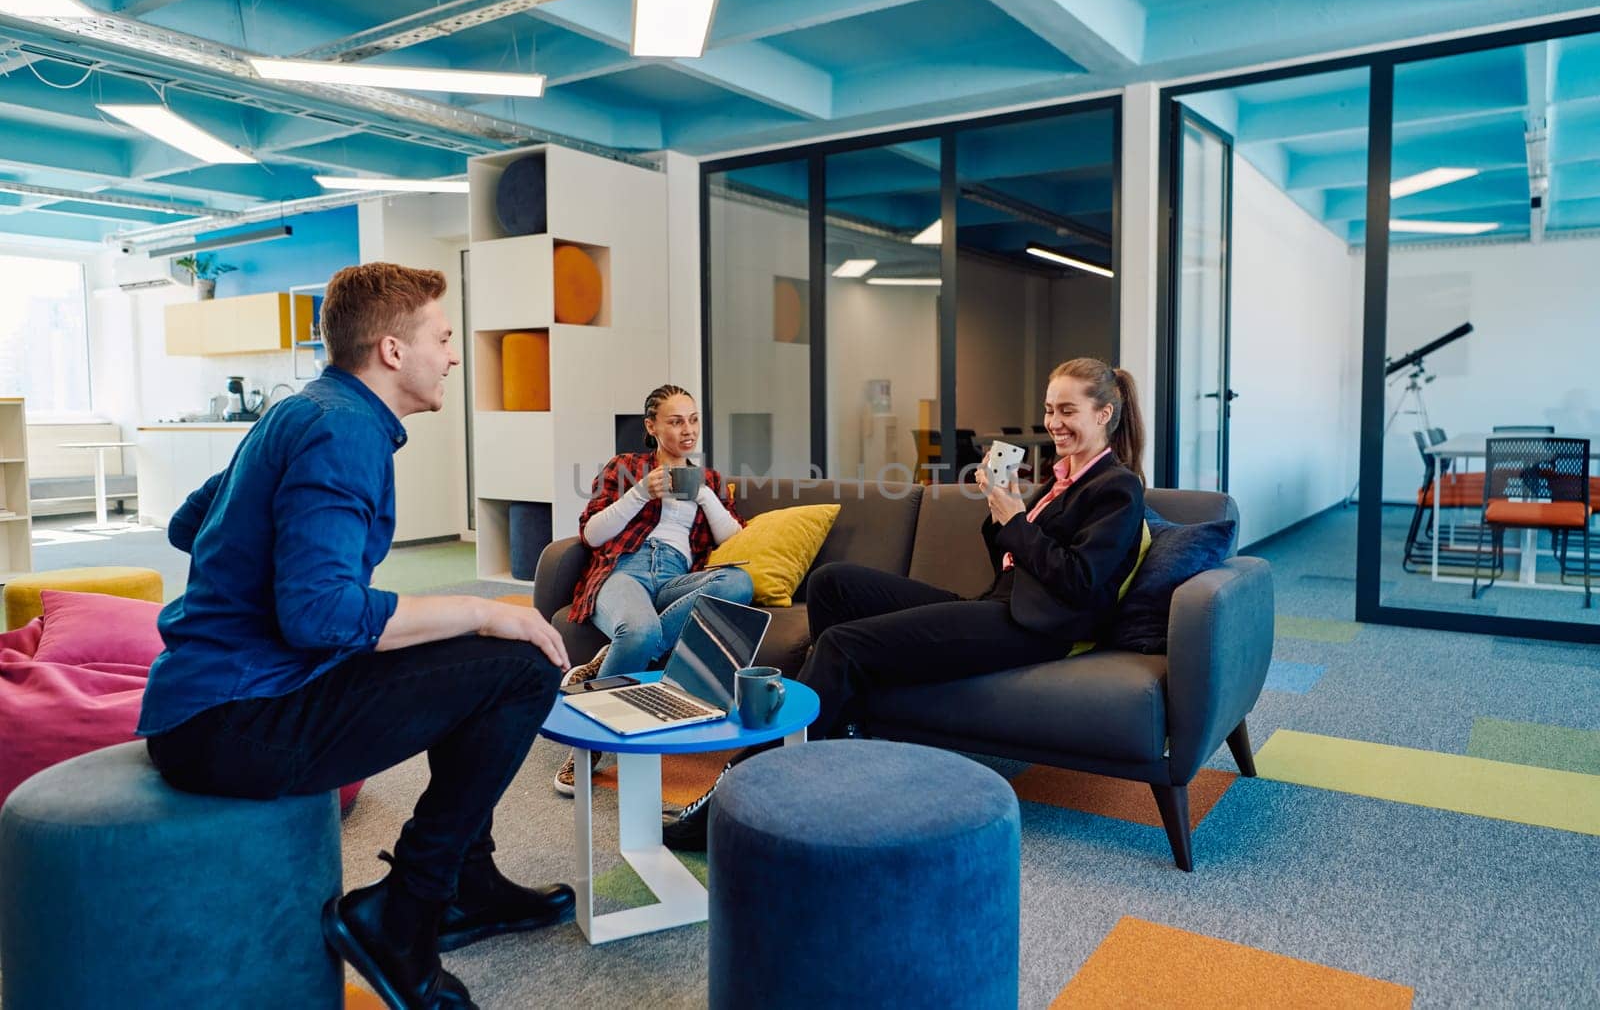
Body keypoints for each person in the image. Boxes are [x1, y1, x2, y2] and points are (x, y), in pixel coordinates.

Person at [138, 263, 574, 1010]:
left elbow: (189, 522)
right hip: (237, 720)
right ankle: (403, 913)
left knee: (471, 651)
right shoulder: (343, 428)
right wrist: (480, 608)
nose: (454, 354)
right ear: (393, 350)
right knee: (519, 662)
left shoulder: (308, 410)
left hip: (217, 703)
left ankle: (469, 881)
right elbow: (319, 614)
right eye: (442, 336)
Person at [662, 358, 1147, 850]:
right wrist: (999, 510)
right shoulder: (1061, 478)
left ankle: (741, 789)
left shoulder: (1117, 488)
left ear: (1104, 414)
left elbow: (1083, 582)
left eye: (1068, 410)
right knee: (833, 584)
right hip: (1000, 604)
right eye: (1048, 409)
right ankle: (842, 731)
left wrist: (1017, 521)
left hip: (1035, 627)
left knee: (841, 645)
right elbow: (1010, 559)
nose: (1054, 423)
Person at [554, 384, 755, 793]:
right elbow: (591, 534)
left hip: (676, 577)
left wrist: (702, 496)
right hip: (624, 570)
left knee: (739, 582)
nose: (688, 430)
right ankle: (586, 750)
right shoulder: (624, 466)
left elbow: (731, 539)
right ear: (651, 426)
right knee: (641, 632)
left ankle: (611, 659)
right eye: (676, 421)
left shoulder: (708, 479)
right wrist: (641, 492)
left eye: (694, 420)